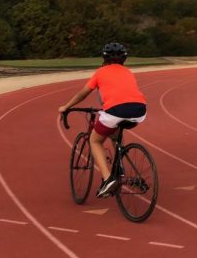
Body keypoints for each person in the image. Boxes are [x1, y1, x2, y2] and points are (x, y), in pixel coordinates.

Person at [58, 42, 147, 197]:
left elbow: (83, 93)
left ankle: (108, 180)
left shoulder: (100, 72)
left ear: (104, 58)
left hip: (115, 111)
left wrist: (66, 106)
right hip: (140, 111)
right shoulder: (128, 72)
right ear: (124, 59)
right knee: (115, 132)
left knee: (95, 140)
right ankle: (120, 167)